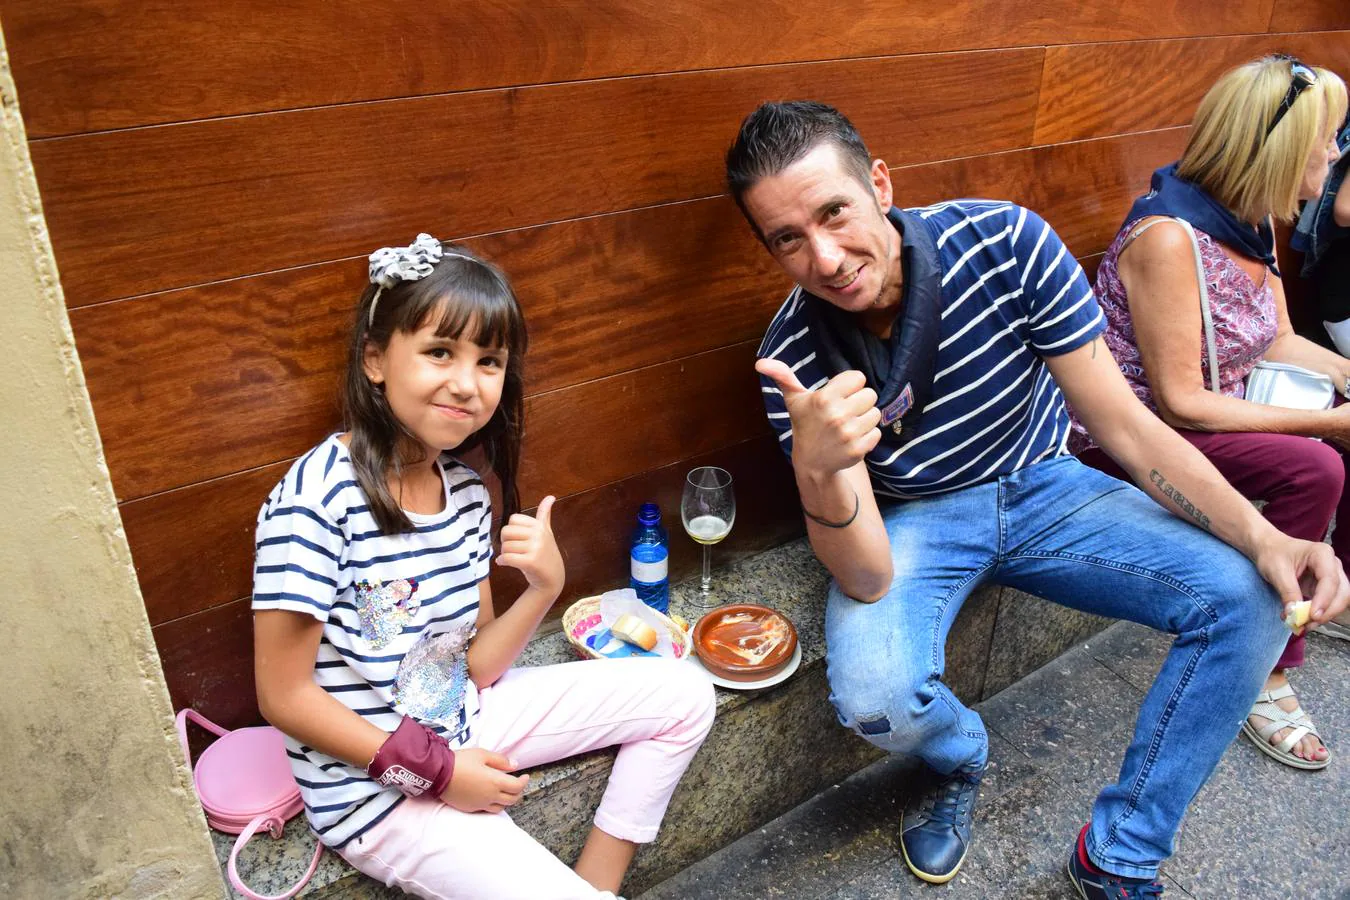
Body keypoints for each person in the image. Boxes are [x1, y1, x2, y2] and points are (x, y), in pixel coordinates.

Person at [725, 101, 1349, 898]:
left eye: (834, 212)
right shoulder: (791, 358)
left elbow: (1124, 425)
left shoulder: (1002, 241)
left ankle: (1120, 853)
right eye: (787, 239)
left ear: (879, 184)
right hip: (913, 520)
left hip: (1044, 483)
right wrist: (817, 472)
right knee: (877, 698)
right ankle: (961, 756)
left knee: (1252, 598)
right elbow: (869, 579)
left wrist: (1266, 539)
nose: (826, 257)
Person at [251, 235, 716, 900]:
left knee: (687, 696)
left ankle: (596, 887)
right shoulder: (316, 500)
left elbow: (473, 667)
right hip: (375, 793)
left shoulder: (466, 495)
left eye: (489, 361)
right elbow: (285, 697)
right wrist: (439, 775)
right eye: (440, 352)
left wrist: (544, 588)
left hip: (467, 717)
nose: (467, 383)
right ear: (376, 360)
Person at [1070, 56, 1350, 771]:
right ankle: (1267, 663)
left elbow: (1280, 337)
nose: (1339, 153)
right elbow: (1179, 401)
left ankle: (1331, 590)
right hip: (1133, 438)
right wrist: (1331, 421)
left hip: (1221, 403)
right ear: (1285, 150)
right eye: (1331, 139)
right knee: (1317, 462)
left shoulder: (1250, 215)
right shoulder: (1171, 238)